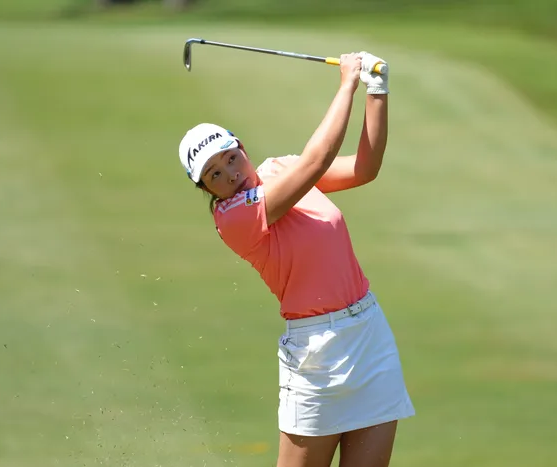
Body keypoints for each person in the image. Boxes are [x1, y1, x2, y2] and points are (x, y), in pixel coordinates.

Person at [177, 51, 415, 467]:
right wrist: (348, 83)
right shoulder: (233, 218)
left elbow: (364, 168)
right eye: (214, 174)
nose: (230, 174)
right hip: (315, 356)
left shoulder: (280, 169)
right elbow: (317, 160)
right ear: (207, 190)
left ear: (241, 147)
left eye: (230, 158)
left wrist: (377, 89)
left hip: (369, 335)